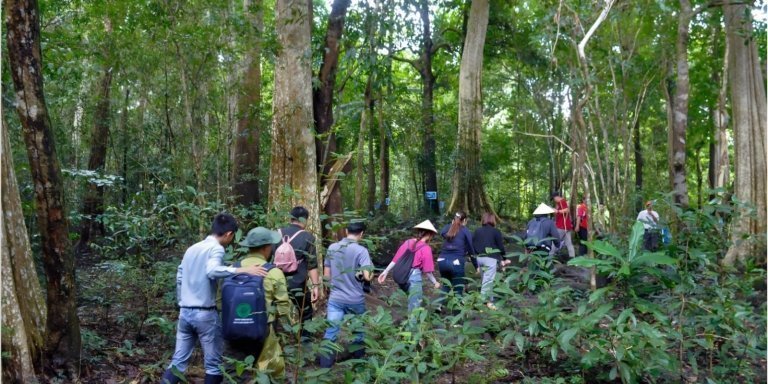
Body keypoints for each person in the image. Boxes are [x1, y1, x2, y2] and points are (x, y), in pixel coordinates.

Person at [162, 213, 265, 384]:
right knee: (213, 365)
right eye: (231, 238)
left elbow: (179, 276)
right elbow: (212, 270)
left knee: (178, 362)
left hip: (185, 312)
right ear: (229, 234)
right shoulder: (216, 248)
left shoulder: (192, 248)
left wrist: (182, 300)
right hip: (204, 314)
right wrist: (241, 270)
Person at [225, 227, 297, 381]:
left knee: (235, 372)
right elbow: (283, 305)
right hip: (263, 330)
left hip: (233, 328)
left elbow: (221, 301)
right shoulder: (273, 272)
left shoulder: (233, 269)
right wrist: (283, 330)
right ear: (266, 248)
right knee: (267, 371)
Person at [320, 221, 373, 368]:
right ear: (361, 233)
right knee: (358, 331)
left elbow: (326, 275)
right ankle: (359, 365)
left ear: (346, 231)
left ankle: (325, 366)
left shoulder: (332, 247)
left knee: (331, 330)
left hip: (335, 298)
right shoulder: (361, 251)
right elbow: (367, 276)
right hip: (355, 299)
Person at [274, 206, 321, 340]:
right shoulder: (308, 237)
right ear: (305, 220)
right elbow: (312, 265)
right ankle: (304, 343)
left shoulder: (276, 234)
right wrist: (315, 286)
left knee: (274, 311)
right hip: (298, 283)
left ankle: (277, 339)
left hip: (277, 281)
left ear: (290, 218)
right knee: (305, 312)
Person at [378, 220, 441, 313]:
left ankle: (409, 322)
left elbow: (395, 259)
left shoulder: (408, 242)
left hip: (402, 277)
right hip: (414, 278)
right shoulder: (426, 248)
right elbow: (427, 271)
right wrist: (435, 282)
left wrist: (385, 272)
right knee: (415, 307)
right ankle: (412, 326)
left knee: (411, 302)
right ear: (429, 234)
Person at [437, 211, 477, 298]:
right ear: (465, 220)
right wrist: (476, 265)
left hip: (442, 261)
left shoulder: (448, 229)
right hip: (456, 262)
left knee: (446, 286)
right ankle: (457, 311)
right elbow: (471, 249)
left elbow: (442, 232)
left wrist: (452, 224)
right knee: (458, 289)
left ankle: (438, 306)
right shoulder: (465, 231)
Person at [472, 213, 507, 310]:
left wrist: (474, 256)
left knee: (485, 280)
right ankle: (481, 303)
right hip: (490, 258)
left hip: (479, 258)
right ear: (493, 220)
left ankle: (490, 301)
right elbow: (500, 247)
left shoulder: (477, 231)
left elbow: (473, 244)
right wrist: (504, 258)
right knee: (488, 281)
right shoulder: (496, 232)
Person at [551, 192, 575, 259]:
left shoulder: (562, 201)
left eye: (553, 199)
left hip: (562, 226)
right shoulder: (560, 203)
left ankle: (549, 258)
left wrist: (557, 211)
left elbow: (567, 210)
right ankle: (572, 258)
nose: (554, 200)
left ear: (556, 197)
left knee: (555, 242)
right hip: (566, 227)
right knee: (569, 243)